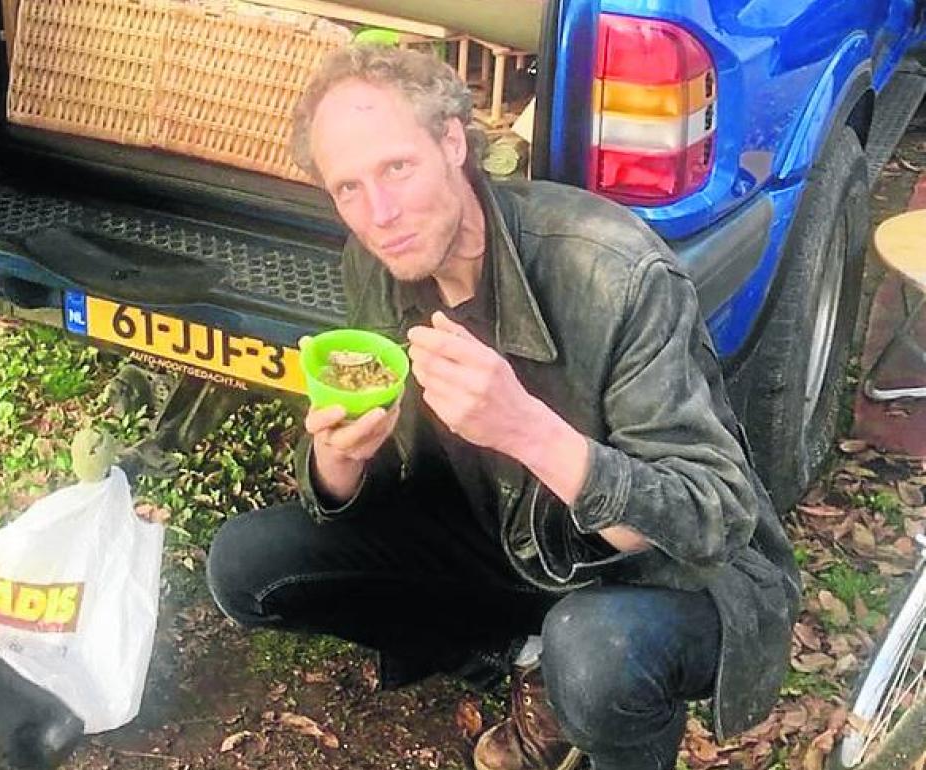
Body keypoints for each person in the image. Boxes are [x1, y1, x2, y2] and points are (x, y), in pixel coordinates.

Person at [205, 44, 801, 770]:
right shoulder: (377, 262)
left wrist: (527, 430)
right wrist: (338, 462)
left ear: (453, 141)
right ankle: (522, 656)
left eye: (397, 168)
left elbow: (712, 517)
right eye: (349, 188)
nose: (380, 214)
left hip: (666, 577)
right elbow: (402, 482)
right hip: (515, 545)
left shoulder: (612, 271)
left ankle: (583, 693)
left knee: (596, 654)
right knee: (249, 565)